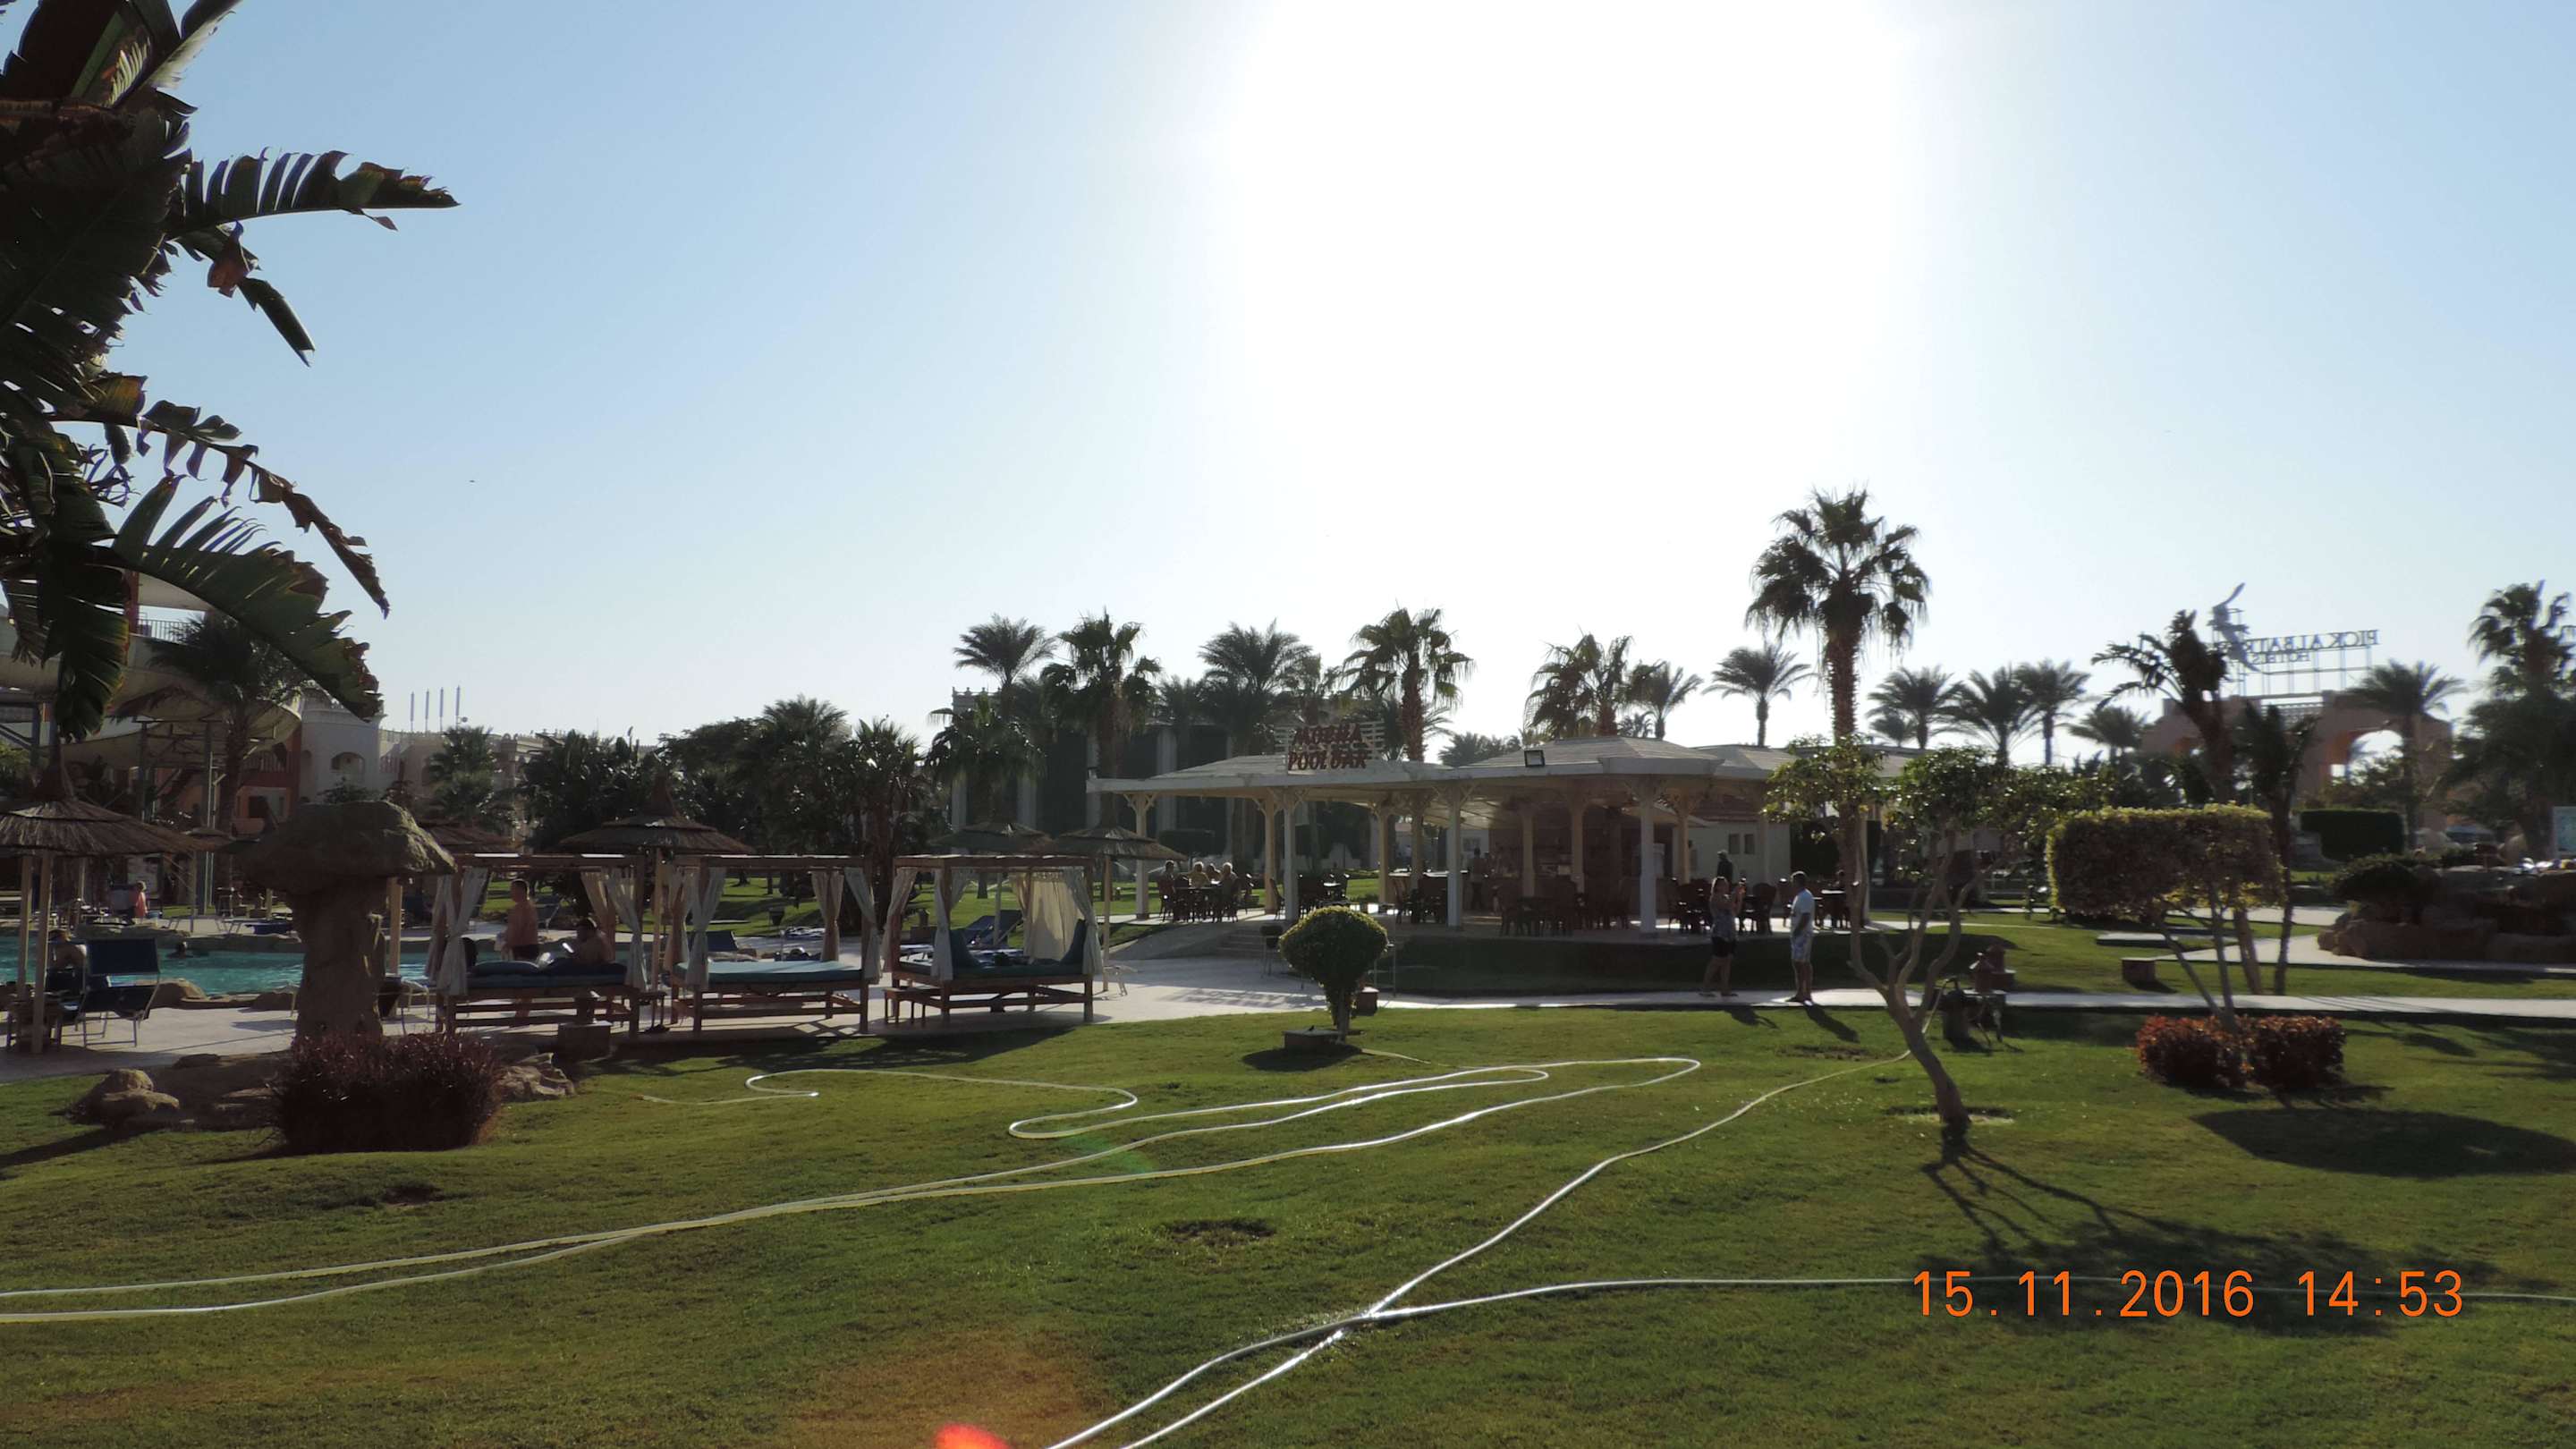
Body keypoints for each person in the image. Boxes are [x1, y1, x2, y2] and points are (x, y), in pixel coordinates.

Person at [1700, 879, 1741, 997]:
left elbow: (1735, 911)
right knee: (1716, 961)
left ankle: (1725, 989)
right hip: (1720, 933)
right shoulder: (1715, 898)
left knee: (1727, 961)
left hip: (1730, 933)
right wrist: (1734, 893)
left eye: (1727, 885)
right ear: (1717, 887)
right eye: (1723, 885)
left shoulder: (1727, 897)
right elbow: (1725, 906)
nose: (1726, 887)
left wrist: (1739, 898)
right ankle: (1705, 987)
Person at [1787, 871, 1818, 1004]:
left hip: (1803, 935)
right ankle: (1805, 992)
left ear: (1798, 882)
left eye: (1793, 881)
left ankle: (1802, 993)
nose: (1791, 884)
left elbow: (1805, 916)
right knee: (1801, 963)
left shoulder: (1805, 896)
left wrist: (1797, 931)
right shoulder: (1799, 896)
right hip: (1799, 934)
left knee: (1800, 963)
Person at [504, 879, 542, 961]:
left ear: (520, 890)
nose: (510, 893)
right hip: (526, 947)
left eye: (512, 889)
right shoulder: (527, 906)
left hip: (524, 948)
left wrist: (509, 944)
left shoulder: (522, 908)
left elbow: (520, 928)